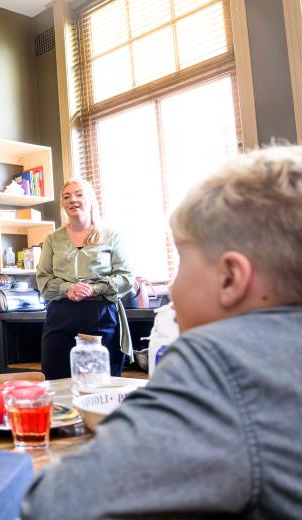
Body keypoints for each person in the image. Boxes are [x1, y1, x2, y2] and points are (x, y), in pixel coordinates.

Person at [22, 145, 302, 519]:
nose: (173, 286)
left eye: (183, 262)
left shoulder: (213, 361)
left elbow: (52, 504)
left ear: (231, 278)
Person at [35, 179, 133, 379]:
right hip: (60, 318)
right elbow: (43, 280)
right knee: (56, 382)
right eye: (66, 196)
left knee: (100, 386)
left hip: (101, 316)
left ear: (90, 199)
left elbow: (126, 277)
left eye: (79, 194)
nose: (73, 200)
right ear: (62, 204)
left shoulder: (112, 236)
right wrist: (68, 289)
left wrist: (94, 289)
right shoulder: (52, 240)